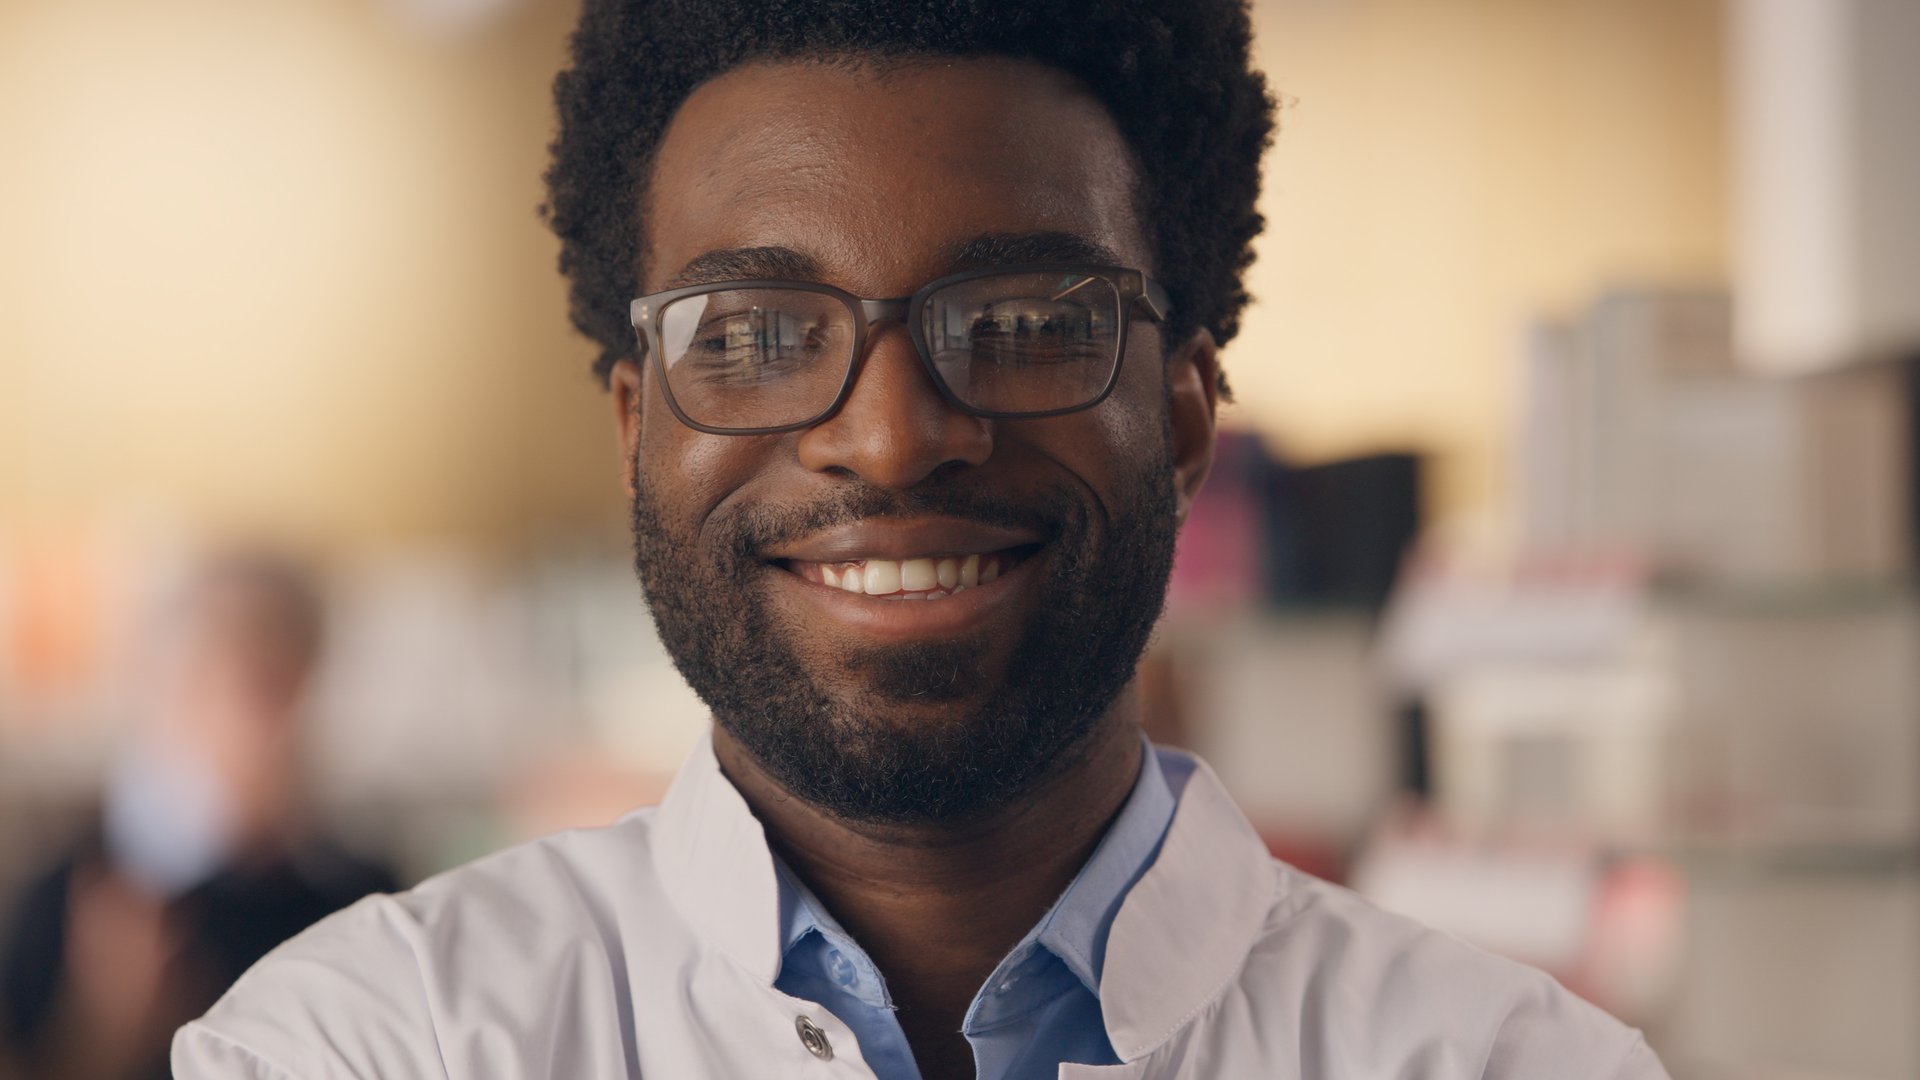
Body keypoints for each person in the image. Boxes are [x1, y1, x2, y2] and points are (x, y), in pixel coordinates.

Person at [172, 2, 1670, 1077]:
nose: (888, 437)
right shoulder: (369, 1043)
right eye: (756, 331)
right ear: (636, 431)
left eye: (1022, 323)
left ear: (1188, 415)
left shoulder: (1505, 1061)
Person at [0, 554, 395, 1080]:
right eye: (223, 680)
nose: (252, 723)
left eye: (277, 683)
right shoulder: (76, 900)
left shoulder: (363, 904)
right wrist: (105, 1033)